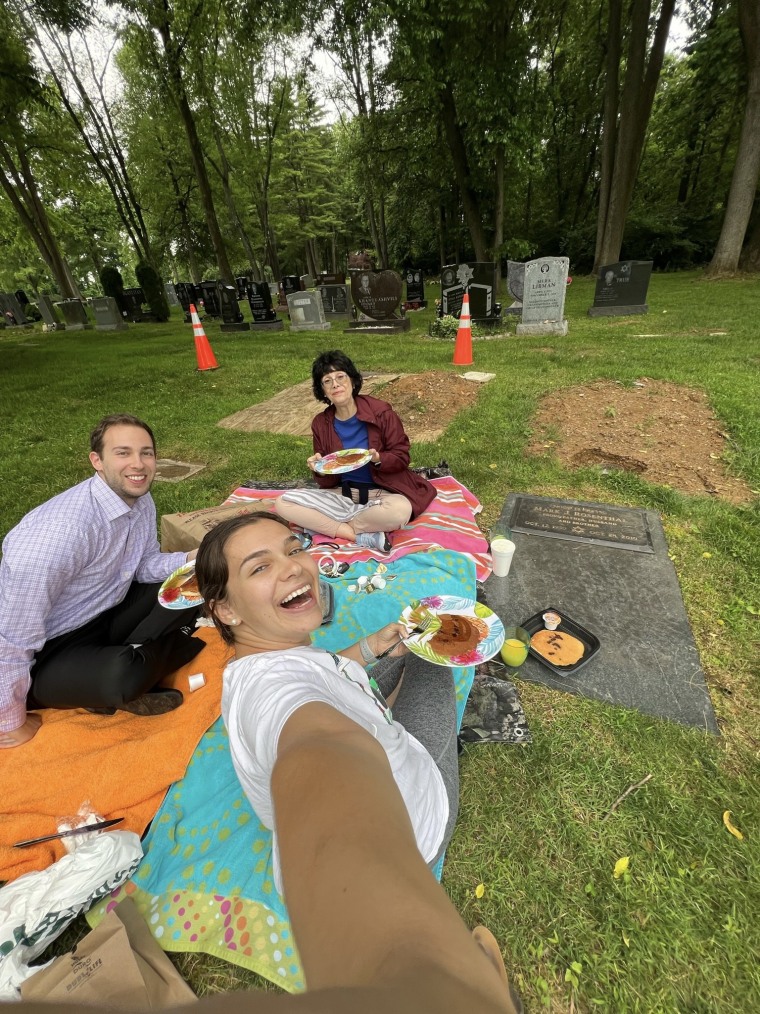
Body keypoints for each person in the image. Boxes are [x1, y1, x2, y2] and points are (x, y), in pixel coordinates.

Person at [190, 511, 520, 1013]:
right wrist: (422, 978)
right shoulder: (280, 699)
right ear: (227, 610)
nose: (295, 568)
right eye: (259, 568)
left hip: (353, 715)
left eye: (294, 547)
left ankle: (395, 657)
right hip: (416, 816)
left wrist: (367, 648)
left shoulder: (254, 666)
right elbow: (323, 760)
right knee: (431, 650)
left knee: (405, 639)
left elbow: (319, 674)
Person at [0, 414, 205, 749]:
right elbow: (10, 638)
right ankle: (120, 674)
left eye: (146, 453)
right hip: (47, 650)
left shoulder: (138, 498)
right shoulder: (57, 535)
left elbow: (142, 566)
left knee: (197, 583)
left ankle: (129, 662)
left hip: (105, 612)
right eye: (123, 453)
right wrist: (10, 722)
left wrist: (191, 559)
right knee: (122, 680)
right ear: (97, 460)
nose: (138, 464)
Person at [275, 351, 435, 554]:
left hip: (382, 493)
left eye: (340, 376)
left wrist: (378, 459)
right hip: (344, 494)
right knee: (283, 503)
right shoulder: (321, 423)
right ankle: (356, 534)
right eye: (327, 381)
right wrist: (320, 469)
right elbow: (327, 483)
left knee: (400, 512)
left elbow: (402, 456)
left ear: (352, 380)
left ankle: (331, 525)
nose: (335, 384)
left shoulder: (381, 412)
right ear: (323, 391)